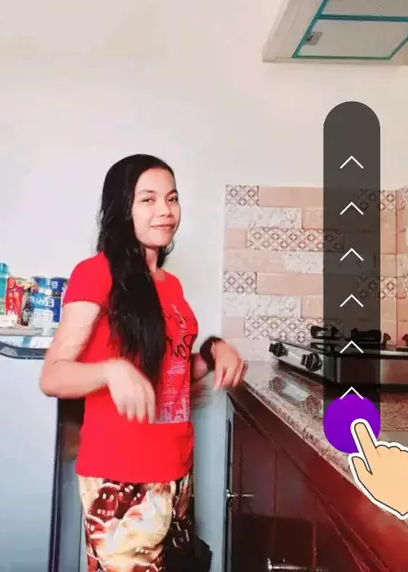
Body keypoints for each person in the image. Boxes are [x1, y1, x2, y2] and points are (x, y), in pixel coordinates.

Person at [39, 154, 246, 572]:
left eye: (172, 198)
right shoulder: (96, 274)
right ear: (122, 208)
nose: (165, 210)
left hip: (177, 472)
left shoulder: (172, 285)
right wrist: (110, 370)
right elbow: (52, 376)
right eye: (148, 200)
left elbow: (171, 373)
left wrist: (214, 351)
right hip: (121, 478)